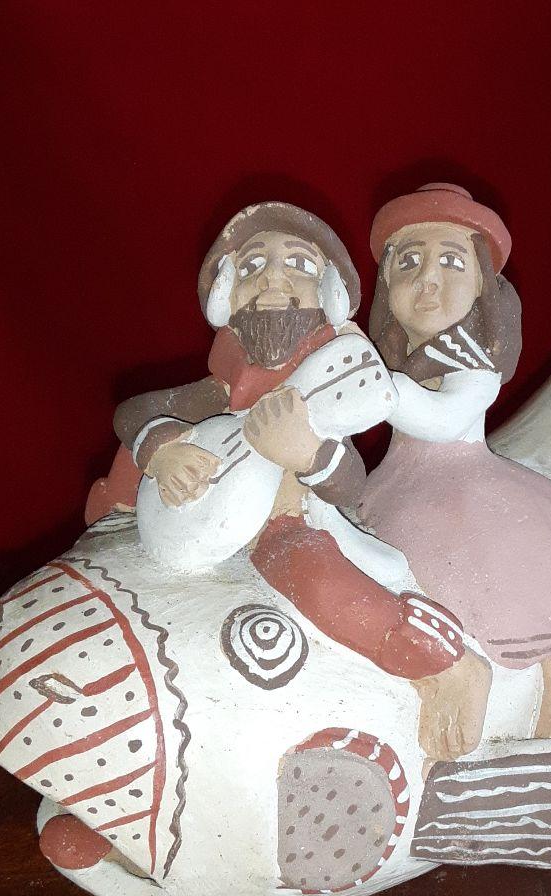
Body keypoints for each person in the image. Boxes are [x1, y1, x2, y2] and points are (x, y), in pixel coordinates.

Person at [87, 202, 491, 758]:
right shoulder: (224, 382)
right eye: (253, 266)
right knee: (134, 468)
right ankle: (111, 526)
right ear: (227, 292)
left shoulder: (334, 374)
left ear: (327, 291)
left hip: (284, 520)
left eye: (298, 265)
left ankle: (445, 664)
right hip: (199, 522)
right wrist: (165, 451)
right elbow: (138, 411)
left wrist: (307, 453)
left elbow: (349, 485)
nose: (274, 280)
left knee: (320, 584)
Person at [359, 183, 551, 741]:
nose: (428, 279)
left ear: (482, 285)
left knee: (530, 610)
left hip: (464, 492)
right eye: (408, 262)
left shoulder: (472, 365)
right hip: (398, 487)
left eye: (450, 262)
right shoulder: (392, 362)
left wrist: (378, 390)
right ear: (385, 283)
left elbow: (444, 419)